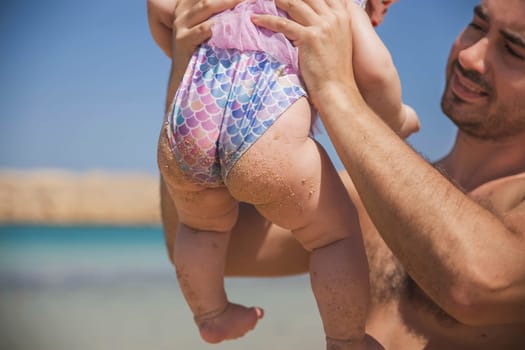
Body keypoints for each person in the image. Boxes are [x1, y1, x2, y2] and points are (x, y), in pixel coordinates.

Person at [148, 0, 525, 348]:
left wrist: (333, 88)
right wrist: (188, 61)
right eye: (477, 25)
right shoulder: (362, 197)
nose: (471, 57)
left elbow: (477, 285)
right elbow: (206, 242)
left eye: (514, 50)